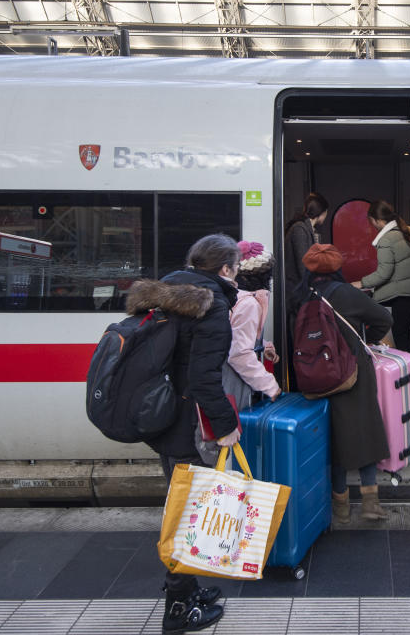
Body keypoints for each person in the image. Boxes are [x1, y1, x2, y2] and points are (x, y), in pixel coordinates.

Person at [127, 233, 242, 635]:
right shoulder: (210, 307)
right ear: (225, 269)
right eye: (237, 268)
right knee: (186, 514)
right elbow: (204, 378)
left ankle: (189, 586)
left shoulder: (167, 293)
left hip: (162, 417)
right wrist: (226, 428)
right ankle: (178, 609)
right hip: (186, 424)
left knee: (182, 503)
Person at [299, 243, 393, 523]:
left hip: (314, 375)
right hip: (352, 373)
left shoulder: (300, 296)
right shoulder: (346, 294)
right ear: (337, 267)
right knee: (365, 432)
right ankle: (370, 503)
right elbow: (383, 318)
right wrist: (368, 340)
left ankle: (340, 507)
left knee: (333, 440)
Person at [350, 200, 410, 355]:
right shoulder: (408, 231)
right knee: (404, 333)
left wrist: (361, 283)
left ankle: (407, 370)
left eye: (371, 222)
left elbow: (384, 273)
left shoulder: (386, 240)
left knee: (399, 334)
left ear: (377, 220)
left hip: (401, 295)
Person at [224, 240, 282, 411]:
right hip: (230, 378)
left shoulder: (233, 296)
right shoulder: (248, 304)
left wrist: (263, 345)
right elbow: (239, 353)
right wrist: (270, 385)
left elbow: (233, 335)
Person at [284, 192, 329, 298]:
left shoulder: (308, 229)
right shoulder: (300, 228)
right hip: (296, 288)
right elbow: (303, 263)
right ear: (322, 212)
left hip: (301, 287)